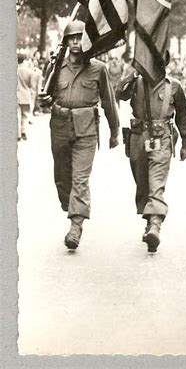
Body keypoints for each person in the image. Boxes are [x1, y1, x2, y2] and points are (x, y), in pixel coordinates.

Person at [40, 20, 120, 250]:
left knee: (80, 179)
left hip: (86, 131)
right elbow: (45, 97)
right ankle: (71, 205)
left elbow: (109, 102)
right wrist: (44, 101)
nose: (76, 42)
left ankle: (76, 225)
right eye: (72, 38)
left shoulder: (98, 69)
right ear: (65, 42)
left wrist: (114, 131)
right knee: (63, 177)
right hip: (60, 127)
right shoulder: (55, 68)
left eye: (80, 37)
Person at [117, 67, 186, 252]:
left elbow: (183, 116)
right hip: (138, 137)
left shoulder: (173, 86)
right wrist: (131, 75)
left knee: (156, 182)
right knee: (142, 182)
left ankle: (155, 225)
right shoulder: (136, 82)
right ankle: (150, 219)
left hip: (162, 138)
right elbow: (119, 94)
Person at [17, 53, 35, 141]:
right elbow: (31, 85)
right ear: (24, 60)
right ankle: (23, 131)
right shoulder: (29, 71)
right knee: (24, 115)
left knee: (17, 114)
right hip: (25, 95)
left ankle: (18, 134)